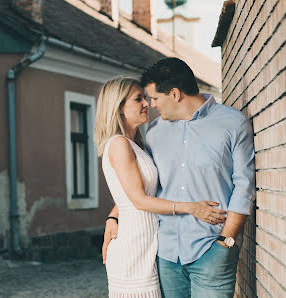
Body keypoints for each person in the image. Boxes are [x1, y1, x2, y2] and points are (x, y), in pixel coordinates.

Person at [104, 58, 256, 297]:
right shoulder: (154, 131)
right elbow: (140, 186)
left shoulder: (233, 123)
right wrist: (113, 217)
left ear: (174, 94)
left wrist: (226, 242)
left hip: (211, 250)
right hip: (166, 253)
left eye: (154, 98)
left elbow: (244, 187)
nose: (151, 105)